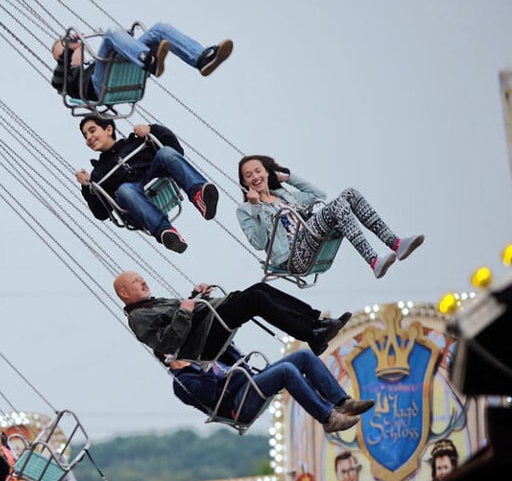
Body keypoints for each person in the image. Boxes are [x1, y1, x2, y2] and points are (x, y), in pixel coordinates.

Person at [236, 155, 425, 279]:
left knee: (350, 194)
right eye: (248, 175)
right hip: (293, 256)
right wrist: (256, 207)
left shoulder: (282, 194)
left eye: (258, 171)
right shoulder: (245, 210)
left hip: (309, 235)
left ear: (267, 172)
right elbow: (259, 243)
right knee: (337, 206)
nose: (255, 177)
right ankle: (373, 260)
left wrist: (288, 178)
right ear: (244, 182)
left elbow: (318, 195)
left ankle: (396, 244)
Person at [113, 271, 351, 360]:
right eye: (136, 281)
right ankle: (311, 334)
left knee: (259, 289)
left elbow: (183, 312)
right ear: (124, 292)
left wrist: (195, 296)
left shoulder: (153, 304)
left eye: (141, 278)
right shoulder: (138, 318)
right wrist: (187, 309)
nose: (143, 282)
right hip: (202, 341)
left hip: (206, 322)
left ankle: (316, 322)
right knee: (255, 299)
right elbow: (169, 341)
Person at [76, 117, 219, 253]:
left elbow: (176, 150)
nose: (88, 137)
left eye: (92, 130)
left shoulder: (136, 143)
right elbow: (101, 213)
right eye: (84, 135)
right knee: (125, 190)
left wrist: (152, 130)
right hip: (132, 199)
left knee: (166, 153)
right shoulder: (98, 173)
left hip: (155, 178)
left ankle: (199, 196)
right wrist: (87, 187)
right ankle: (165, 232)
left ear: (108, 129)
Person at [169, 345, 372, 433]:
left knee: (304, 356)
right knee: (286, 371)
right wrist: (205, 368)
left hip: (250, 381)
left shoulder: (201, 356)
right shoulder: (182, 381)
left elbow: (227, 348)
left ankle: (341, 402)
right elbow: (207, 394)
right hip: (238, 405)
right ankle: (328, 418)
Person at [51, 24, 233, 101]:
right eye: (67, 46)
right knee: (111, 33)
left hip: (118, 70)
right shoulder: (66, 80)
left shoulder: (92, 64)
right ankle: (146, 59)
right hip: (98, 87)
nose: (75, 46)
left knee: (159, 29)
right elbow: (56, 81)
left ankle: (201, 58)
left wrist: (126, 40)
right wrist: (66, 50)